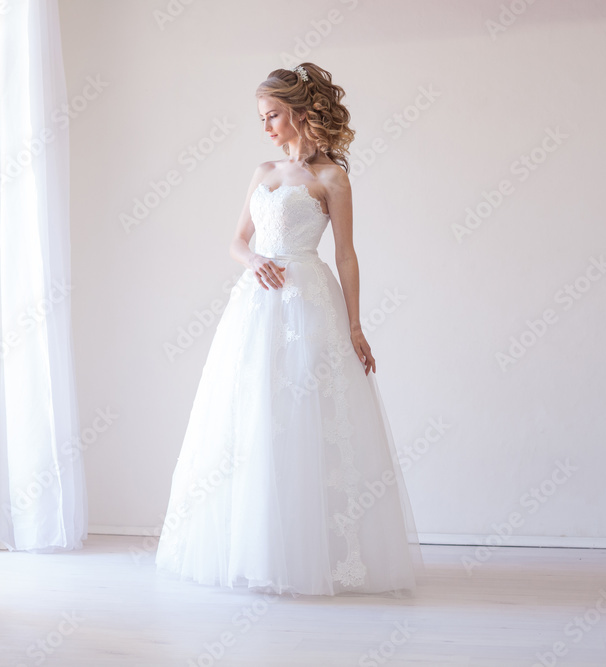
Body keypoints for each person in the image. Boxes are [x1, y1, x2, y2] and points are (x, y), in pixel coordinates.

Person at [154, 62, 425, 597]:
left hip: (310, 307)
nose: (266, 126)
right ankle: (257, 548)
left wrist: (355, 325)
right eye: (262, 117)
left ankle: (316, 553)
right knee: (254, 414)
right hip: (256, 309)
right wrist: (253, 260)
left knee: (308, 418)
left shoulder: (331, 179)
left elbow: (345, 256)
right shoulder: (263, 172)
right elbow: (235, 240)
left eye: (273, 115)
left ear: (300, 113)